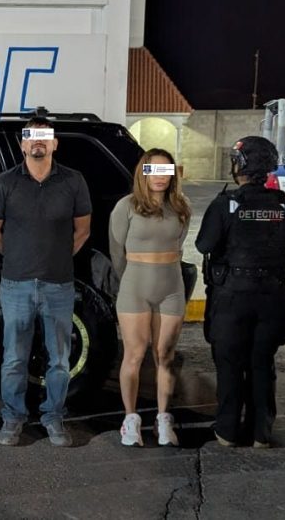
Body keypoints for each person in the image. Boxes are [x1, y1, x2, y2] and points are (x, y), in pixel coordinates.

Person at [195, 137, 285, 448]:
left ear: (241, 165)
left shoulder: (226, 204)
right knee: (262, 363)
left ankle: (227, 431)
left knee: (230, 363)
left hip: (232, 297)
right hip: (272, 297)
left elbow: (204, 245)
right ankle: (261, 432)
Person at [0, 118, 91, 447]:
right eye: (31, 136)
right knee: (14, 358)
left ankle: (53, 416)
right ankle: (13, 417)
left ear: (55, 143)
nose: (38, 141)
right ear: (23, 145)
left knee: (59, 359)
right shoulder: (4, 183)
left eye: (45, 136)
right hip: (16, 285)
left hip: (58, 285)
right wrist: (17, 257)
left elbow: (83, 229)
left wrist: (57, 258)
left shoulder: (73, 181)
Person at [109, 149, 191, 447]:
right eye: (153, 170)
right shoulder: (126, 206)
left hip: (171, 288)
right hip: (135, 287)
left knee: (165, 356)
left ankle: (163, 419)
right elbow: (117, 252)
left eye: (165, 170)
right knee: (134, 355)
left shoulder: (182, 206)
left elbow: (180, 245)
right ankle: (130, 419)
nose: (159, 176)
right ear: (142, 172)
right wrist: (130, 282)